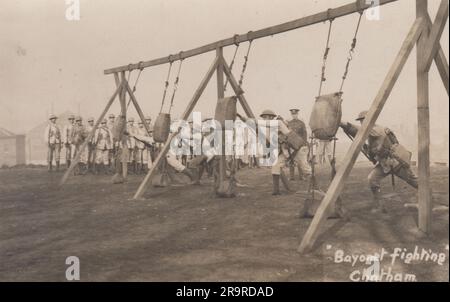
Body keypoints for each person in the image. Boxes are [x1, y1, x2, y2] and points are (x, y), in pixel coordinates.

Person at [340, 110, 418, 213]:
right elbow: (361, 134)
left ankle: (428, 199)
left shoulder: (377, 129)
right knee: (372, 179)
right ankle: (379, 205)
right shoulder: (372, 131)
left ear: (370, 119)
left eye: (363, 120)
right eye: (361, 121)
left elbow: (359, 131)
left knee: (416, 182)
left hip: (397, 163)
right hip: (385, 164)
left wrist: (342, 124)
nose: (361, 123)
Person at [260, 110, 311, 195]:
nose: (265, 119)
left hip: (297, 149)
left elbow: (287, 136)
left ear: (272, 117)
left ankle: (314, 187)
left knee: (305, 168)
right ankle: (276, 191)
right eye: (264, 117)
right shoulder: (266, 130)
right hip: (285, 151)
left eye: (267, 117)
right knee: (275, 166)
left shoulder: (278, 123)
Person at [287, 108, 308, 180]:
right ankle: (291, 176)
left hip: (299, 144)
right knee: (291, 160)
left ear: (297, 114)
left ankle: (301, 176)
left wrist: (304, 143)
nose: (294, 115)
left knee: (300, 160)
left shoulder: (301, 123)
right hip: (291, 144)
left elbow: (304, 133)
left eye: (295, 114)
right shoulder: (289, 123)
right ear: (291, 115)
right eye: (293, 114)